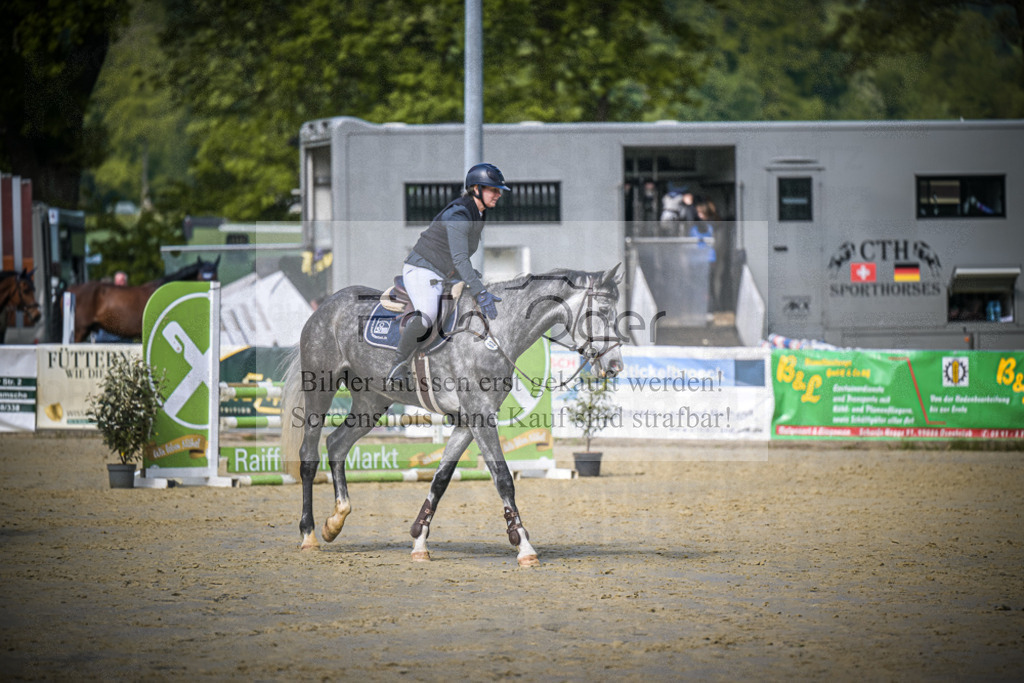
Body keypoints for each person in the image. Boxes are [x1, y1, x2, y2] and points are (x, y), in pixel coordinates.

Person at [386, 162, 511, 384]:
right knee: (428, 314)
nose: (498, 194)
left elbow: (458, 258)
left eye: (498, 190)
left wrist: (473, 281)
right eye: (493, 189)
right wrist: (481, 292)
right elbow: (460, 259)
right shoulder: (460, 215)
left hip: (443, 272)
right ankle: (397, 364)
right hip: (422, 269)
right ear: (476, 189)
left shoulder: (478, 214)